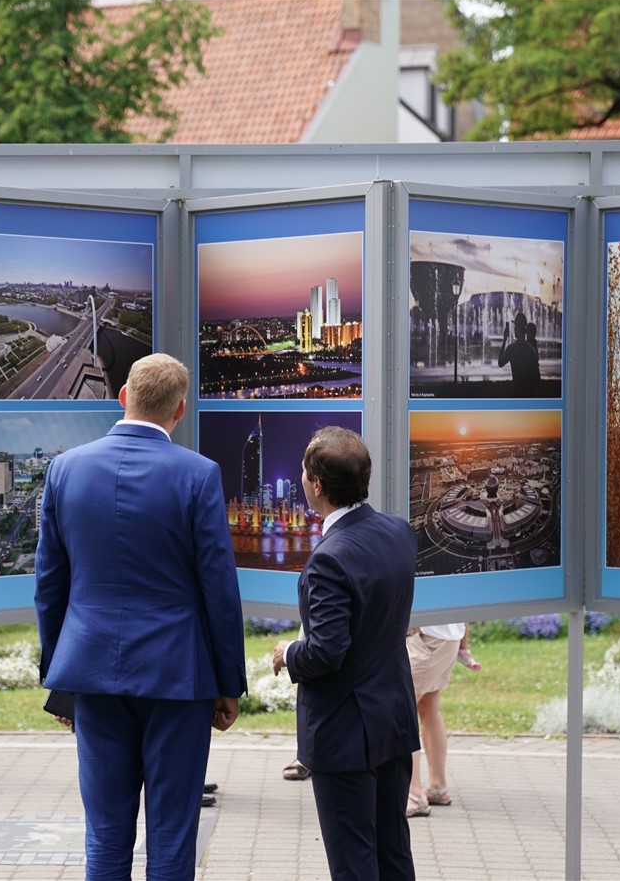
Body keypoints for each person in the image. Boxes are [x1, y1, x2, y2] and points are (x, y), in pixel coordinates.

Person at [34, 352, 246, 880]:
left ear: (123, 397)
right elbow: (219, 590)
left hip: (92, 672)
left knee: (105, 836)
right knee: (172, 837)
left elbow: (49, 587)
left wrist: (60, 680)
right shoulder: (199, 476)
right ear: (180, 410)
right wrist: (228, 684)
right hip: (179, 678)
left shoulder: (65, 469)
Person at [273, 427, 420, 881]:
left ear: (317, 485)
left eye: (303, 470)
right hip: (392, 718)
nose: (300, 478)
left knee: (354, 864)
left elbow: (326, 651)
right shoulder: (398, 532)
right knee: (394, 855)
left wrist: (287, 654)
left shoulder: (329, 559)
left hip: (344, 735)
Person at [403, 622, 480, 818]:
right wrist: (463, 646)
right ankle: (437, 786)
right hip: (447, 636)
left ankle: (414, 794)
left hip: (427, 637)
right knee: (428, 706)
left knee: (402, 712)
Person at [496, 312, 540, 398]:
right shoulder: (531, 349)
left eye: (515, 327)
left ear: (518, 329)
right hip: (530, 394)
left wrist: (504, 340)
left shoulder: (511, 348)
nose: (514, 329)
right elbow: (537, 377)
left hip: (517, 393)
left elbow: (500, 363)